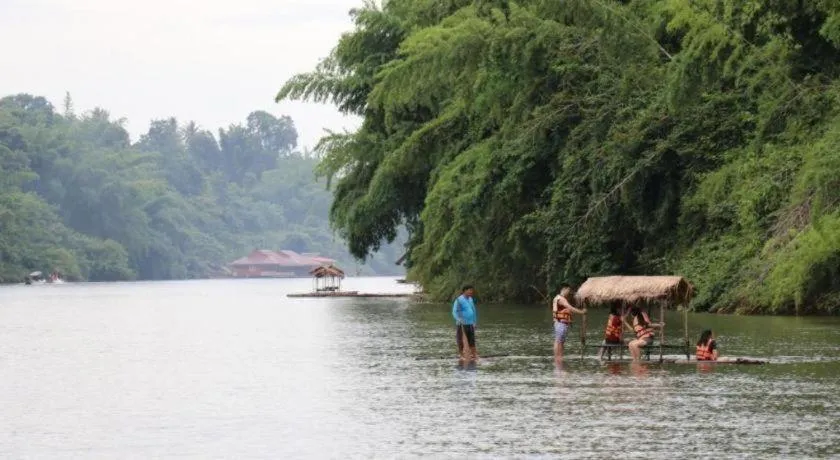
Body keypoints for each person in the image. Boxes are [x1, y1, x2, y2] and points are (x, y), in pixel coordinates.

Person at [552, 286, 586, 361]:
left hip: (559, 323)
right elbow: (570, 308)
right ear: (563, 289)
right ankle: (559, 358)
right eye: (568, 290)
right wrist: (582, 312)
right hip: (560, 323)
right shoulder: (561, 299)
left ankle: (557, 358)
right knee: (559, 342)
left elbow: (567, 310)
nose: (569, 292)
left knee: (558, 341)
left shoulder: (558, 298)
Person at [452, 285, 478, 360]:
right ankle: (461, 355)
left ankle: (474, 354)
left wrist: (474, 322)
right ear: (464, 291)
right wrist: (459, 319)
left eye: (471, 290)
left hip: (470, 324)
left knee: (472, 340)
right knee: (460, 340)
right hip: (461, 324)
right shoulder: (459, 300)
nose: (471, 292)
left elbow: (473, 311)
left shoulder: (470, 299)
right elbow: (454, 312)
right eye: (469, 290)